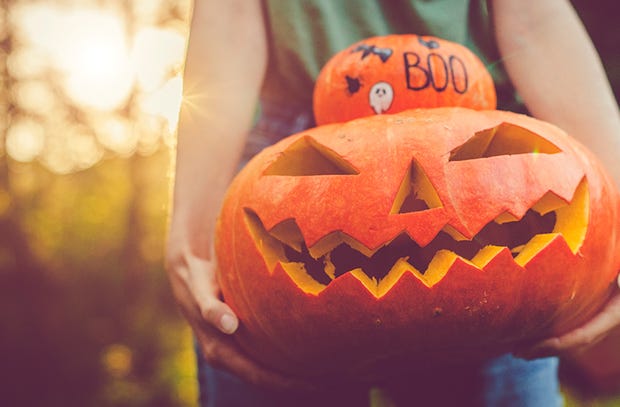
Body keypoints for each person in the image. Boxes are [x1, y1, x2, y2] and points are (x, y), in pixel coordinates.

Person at [165, 0, 620, 405]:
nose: (414, 204)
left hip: (485, 154)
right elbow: (229, 14)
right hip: (282, 156)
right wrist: (192, 229)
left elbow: (535, 16)